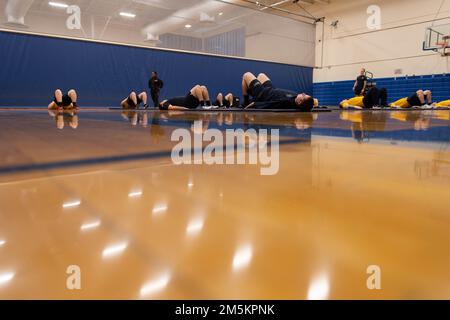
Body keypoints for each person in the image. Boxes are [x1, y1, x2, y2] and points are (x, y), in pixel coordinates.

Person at [242, 72, 314, 111]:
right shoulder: (298, 100)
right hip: (271, 89)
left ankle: (246, 101)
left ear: (299, 102)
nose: (303, 93)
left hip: (262, 93)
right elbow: (312, 102)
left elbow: (270, 105)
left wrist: (255, 104)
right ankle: (252, 90)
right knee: (261, 75)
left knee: (246, 75)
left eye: (304, 95)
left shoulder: (285, 102)